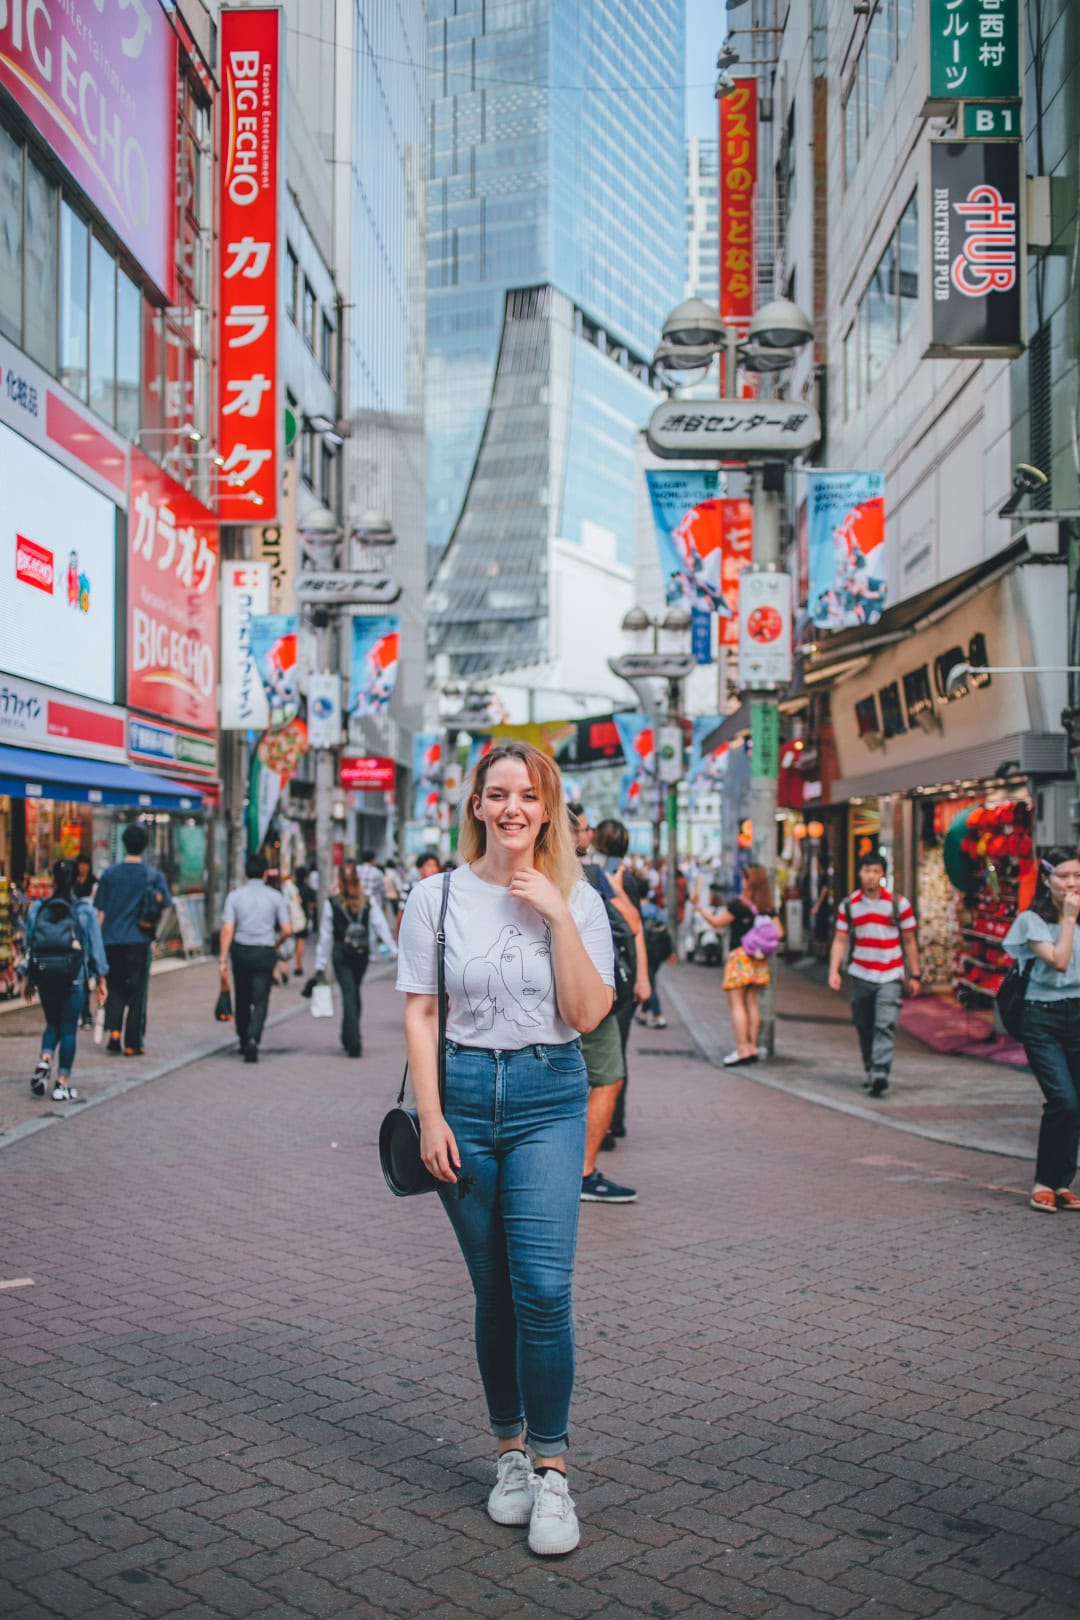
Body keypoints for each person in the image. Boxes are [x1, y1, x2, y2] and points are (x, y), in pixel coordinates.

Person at [396, 742, 614, 1556]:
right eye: (498, 794)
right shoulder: (436, 897)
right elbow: (421, 1013)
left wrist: (557, 915)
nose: (513, 807)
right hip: (461, 1100)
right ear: (478, 807)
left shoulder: (578, 899)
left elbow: (588, 1016)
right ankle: (509, 1455)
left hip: (547, 1097)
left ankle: (555, 1473)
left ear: (547, 809)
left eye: (528, 794)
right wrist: (431, 1116)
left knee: (545, 1290)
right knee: (494, 1291)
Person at [1002, 849, 1080, 1213]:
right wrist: (1068, 920)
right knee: (1063, 1099)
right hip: (1041, 1018)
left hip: (1077, 1015)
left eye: (1078, 875)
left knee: (1076, 1104)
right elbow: (1059, 962)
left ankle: (1063, 1182)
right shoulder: (1031, 920)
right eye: (1064, 876)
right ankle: (1044, 1182)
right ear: (1046, 879)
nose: (1072, 883)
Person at [568, 806, 638, 1202]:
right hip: (591, 996)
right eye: (584, 829)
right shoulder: (593, 879)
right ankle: (582, 1172)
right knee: (607, 1077)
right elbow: (633, 924)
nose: (588, 836)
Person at [827, 848, 919, 1097]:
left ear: (883, 875)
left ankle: (880, 1071)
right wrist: (834, 970)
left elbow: (909, 940)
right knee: (864, 1023)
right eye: (866, 870)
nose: (870, 876)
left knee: (885, 1023)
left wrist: (916, 974)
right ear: (859, 873)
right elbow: (840, 939)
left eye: (875, 871)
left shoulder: (898, 904)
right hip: (860, 973)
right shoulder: (850, 905)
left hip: (890, 973)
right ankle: (870, 1067)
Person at [21, 858, 108, 1101]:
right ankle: (61, 1084)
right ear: (76, 879)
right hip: (74, 977)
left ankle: (45, 1060)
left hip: (45, 974)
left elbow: (30, 945)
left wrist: (28, 977)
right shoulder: (83, 910)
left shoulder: (38, 908)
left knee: (52, 1024)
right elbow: (96, 948)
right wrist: (102, 978)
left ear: (52, 878)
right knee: (68, 1029)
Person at [594, 819, 652, 1146]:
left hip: (622, 974)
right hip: (614, 973)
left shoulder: (616, 878)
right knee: (614, 1050)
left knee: (613, 1051)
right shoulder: (612, 874)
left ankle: (613, 1121)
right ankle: (611, 1121)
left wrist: (642, 978)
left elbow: (635, 927)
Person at [95, 823, 172, 1057]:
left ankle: (114, 1032)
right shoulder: (152, 875)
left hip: (111, 940)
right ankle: (132, 1042)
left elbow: (100, 912)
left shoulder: (110, 874)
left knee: (115, 985)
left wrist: (96, 945)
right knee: (138, 991)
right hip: (139, 939)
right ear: (145, 845)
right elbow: (166, 903)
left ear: (124, 843)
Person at [696, 865, 783, 1067]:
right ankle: (752, 1047)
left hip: (739, 957)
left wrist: (700, 909)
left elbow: (717, 922)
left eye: (744, 879)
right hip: (758, 960)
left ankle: (742, 1048)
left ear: (748, 881)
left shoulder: (739, 905)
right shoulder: (767, 907)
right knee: (751, 1002)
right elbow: (779, 932)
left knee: (737, 1004)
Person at [313, 862, 397, 1057]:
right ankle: (350, 1035)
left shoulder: (332, 901)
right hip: (362, 953)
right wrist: (393, 948)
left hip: (341, 952)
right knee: (355, 991)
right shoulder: (367, 899)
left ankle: (352, 1039)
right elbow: (379, 924)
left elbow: (325, 935)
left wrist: (320, 963)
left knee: (348, 993)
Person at [219, 855, 292, 1063]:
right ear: (265, 873)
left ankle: (243, 1038)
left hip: (241, 951)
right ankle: (253, 1037)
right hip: (265, 951)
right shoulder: (275, 897)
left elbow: (227, 929)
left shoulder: (235, 896)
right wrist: (276, 943)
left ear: (245, 872)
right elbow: (287, 929)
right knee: (261, 999)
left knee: (242, 997)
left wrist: (222, 959)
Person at [282, 869, 309, 976]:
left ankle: (284, 967)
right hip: (300, 919)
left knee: (285, 941)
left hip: (288, 918)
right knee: (300, 942)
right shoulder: (306, 889)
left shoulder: (290, 887)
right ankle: (298, 965)